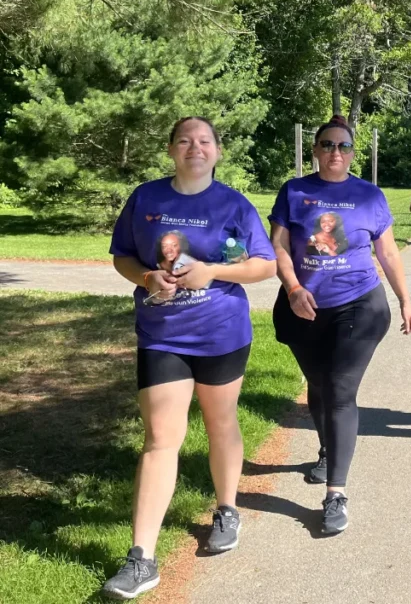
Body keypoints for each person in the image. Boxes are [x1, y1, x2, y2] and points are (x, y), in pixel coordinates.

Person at [103, 117, 277, 600]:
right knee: (160, 437)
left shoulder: (234, 204)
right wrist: (144, 279)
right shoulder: (146, 198)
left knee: (221, 424)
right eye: (184, 140)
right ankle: (141, 558)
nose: (194, 148)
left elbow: (265, 264)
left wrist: (212, 272)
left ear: (217, 152)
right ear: (170, 149)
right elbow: (121, 256)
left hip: (221, 334)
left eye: (204, 141)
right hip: (162, 335)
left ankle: (226, 508)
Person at [270, 114, 411, 535]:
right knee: (317, 385)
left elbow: (387, 253)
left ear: (354, 153)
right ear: (315, 150)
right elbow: (279, 245)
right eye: (328, 145)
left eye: (344, 146)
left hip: (359, 305)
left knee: (339, 390)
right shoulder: (295, 191)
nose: (336, 152)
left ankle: (336, 493)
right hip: (305, 306)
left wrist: (405, 299)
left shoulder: (369, 196)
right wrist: (294, 287)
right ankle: (326, 447)